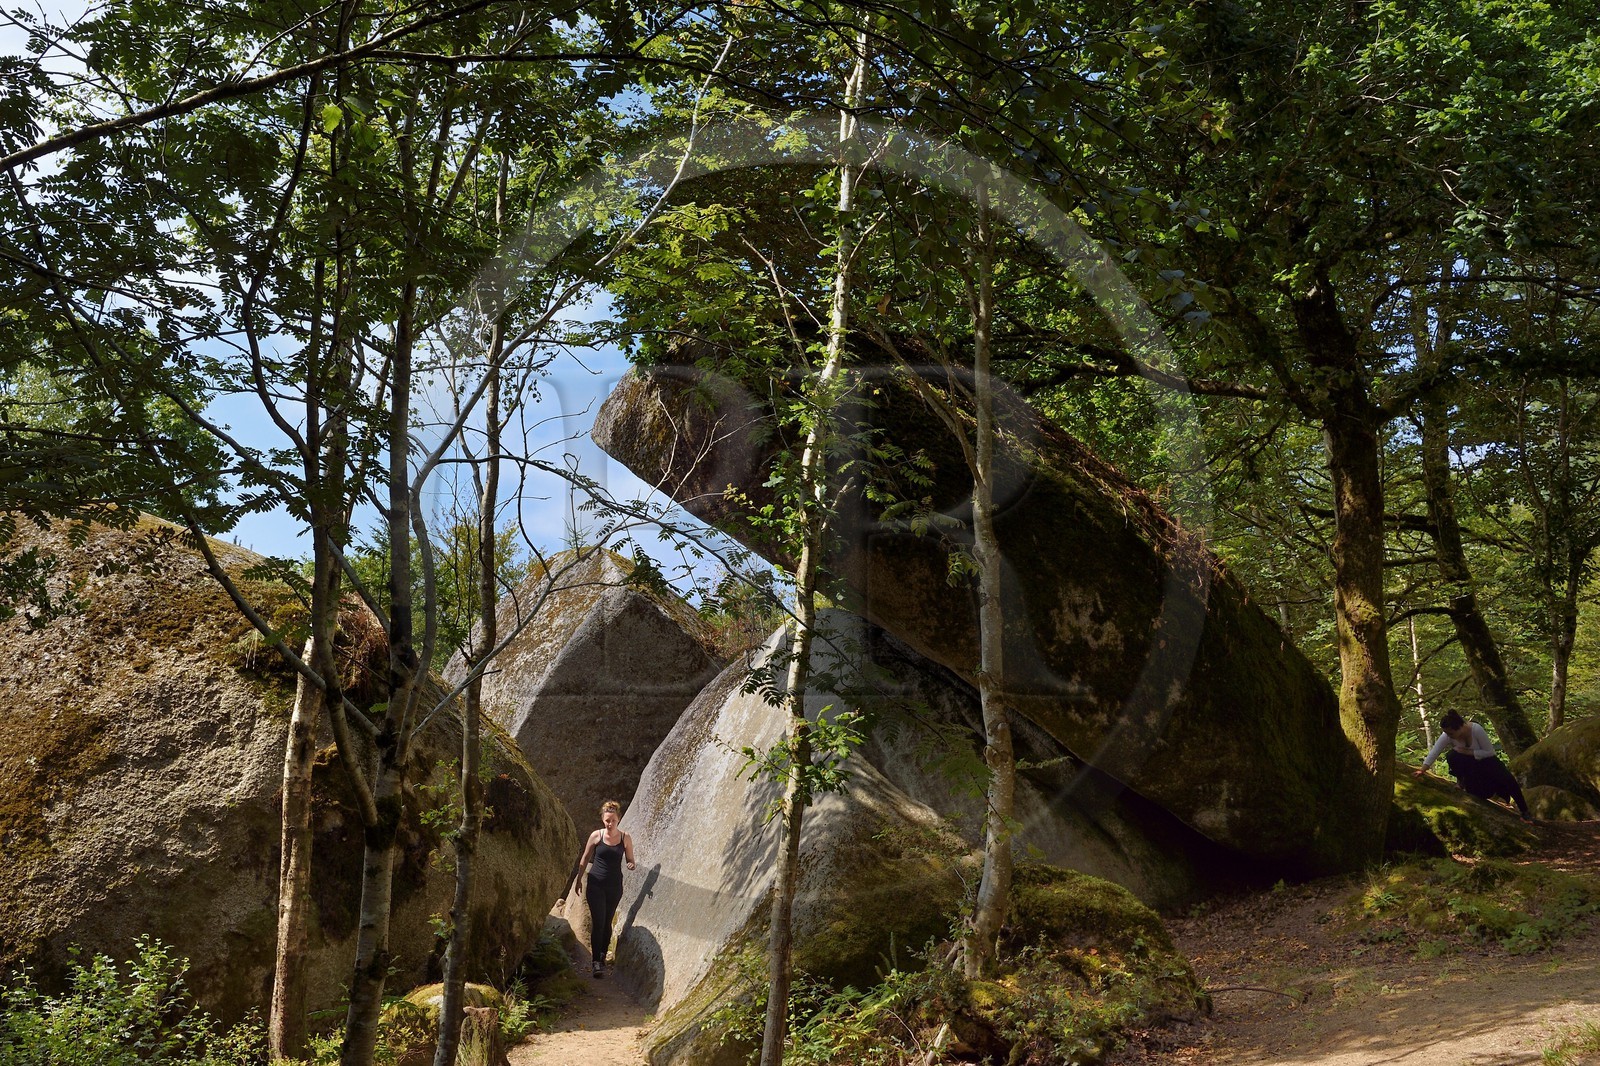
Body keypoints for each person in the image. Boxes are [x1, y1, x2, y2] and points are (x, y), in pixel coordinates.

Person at [1414, 710, 1532, 820]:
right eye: (1446, 733)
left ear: (1459, 727)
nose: (1448, 736)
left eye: (1451, 733)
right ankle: (1462, 782)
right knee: (1452, 756)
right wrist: (1423, 769)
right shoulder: (1448, 735)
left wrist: (1467, 752)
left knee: (1508, 779)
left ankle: (1525, 812)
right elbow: (1435, 751)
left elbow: (1490, 752)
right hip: (1471, 769)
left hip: (1488, 762)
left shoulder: (1476, 730)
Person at [574, 799, 635, 977]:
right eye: (607, 820)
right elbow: (585, 858)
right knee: (598, 922)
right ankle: (595, 962)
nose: (610, 824)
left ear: (618, 820)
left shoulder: (625, 838)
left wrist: (631, 864)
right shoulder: (596, 836)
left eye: (613, 820)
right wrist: (579, 879)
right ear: (603, 819)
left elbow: (631, 859)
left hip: (614, 886)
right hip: (595, 884)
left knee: (607, 922)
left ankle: (602, 955)